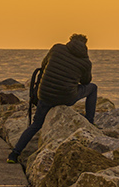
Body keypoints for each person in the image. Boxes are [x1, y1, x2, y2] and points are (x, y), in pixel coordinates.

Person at [8, 33, 97, 163]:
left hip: (45, 95)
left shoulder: (57, 48)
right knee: (93, 88)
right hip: (66, 97)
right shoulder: (85, 62)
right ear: (85, 45)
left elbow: (43, 65)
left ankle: (14, 154)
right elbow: (86, 81)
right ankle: (90, 121)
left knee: (36, 124)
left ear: (70, 41)